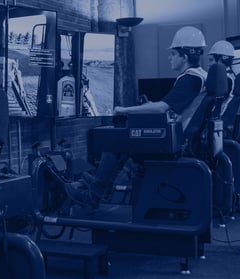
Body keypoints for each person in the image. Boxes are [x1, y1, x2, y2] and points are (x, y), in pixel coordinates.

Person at [65, 26, 208, 208]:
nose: (169, 58)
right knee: (124, 140)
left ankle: (94, 195)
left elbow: (162, 108)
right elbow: (169, 107)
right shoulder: (201, 76)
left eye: (173, 54)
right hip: (178, 136)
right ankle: (101, 183)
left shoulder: (190, 78)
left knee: (115, 141)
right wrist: (148, 107)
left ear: (184, 56)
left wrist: (123, 110)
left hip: (175, 142)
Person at [208, 40, 236, 116]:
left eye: (211, 60)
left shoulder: (224, 80)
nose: (209, 64)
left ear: (221, 59)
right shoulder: (230, 78)